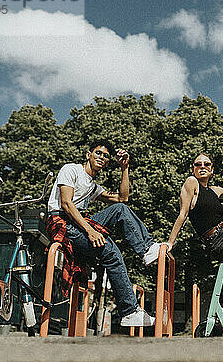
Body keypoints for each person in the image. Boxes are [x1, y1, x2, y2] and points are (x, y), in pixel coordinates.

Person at [46, 139, 160, 327]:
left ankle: (146, 249)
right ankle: (130, 311)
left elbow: (123, 198)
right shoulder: (71, 169)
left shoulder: (92, 186)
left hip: (80, 221)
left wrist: (125, 168)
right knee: (111, 252)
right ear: (88, 154)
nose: (102, 157)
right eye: (98, 153)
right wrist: (90, 231)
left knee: (120, 209)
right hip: (63, 222)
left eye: (106, 156)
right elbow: (66, 203)